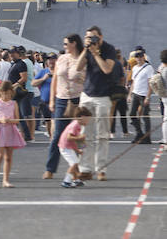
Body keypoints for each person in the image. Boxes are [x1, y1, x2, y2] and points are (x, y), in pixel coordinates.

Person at [75, 26, 117, 181]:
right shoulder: (87, 49)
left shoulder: (109, 49)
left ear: (101, 37)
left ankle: (101, 168)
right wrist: (86, 50)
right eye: (88, 37)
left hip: (103, 96)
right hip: (87, 94)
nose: (92, 40)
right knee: (86, 134)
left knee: (102, 135)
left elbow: (107, 69)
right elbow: (78, 67)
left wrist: (96, 54)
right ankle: (85, 168)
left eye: (94, 37)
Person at [43, 34, 85, 179]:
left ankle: (76, 168)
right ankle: (50, 168)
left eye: (66, 44)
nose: (64, 46)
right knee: (58, 135)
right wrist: (51, 100)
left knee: (77, 136)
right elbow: (55, 78)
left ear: (74, 44)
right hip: (61, 99)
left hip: (78, 99)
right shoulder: (61, 59)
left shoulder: (82, 59)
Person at [0, 81, 26, 188]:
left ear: (11, 93)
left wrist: (10, 120)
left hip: (10, 130)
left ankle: (6, 180)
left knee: (8, 157)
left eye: (8, 93)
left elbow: (17, 119)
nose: (6, 96)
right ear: (0, 92)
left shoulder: (14, 103)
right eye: (4, 93)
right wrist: (0, 120)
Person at [58, 107, 93, 188]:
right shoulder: (75, 125)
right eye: (87, 119)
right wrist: (80, 138)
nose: (88, 121)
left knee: (75, 163)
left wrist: (77, 150)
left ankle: (76, 180)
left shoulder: (77, 125)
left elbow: (73, 141)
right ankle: (66, 180)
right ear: (82, 117)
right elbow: (69, 138)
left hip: (68, 147)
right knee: (74, 163)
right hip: (65, 147)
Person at [127, 48, 154, 144]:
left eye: (140, 56)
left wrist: (148, 96)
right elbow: (133, 82)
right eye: (137, 57)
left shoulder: (148, 68)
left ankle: (147, 137)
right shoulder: (134, 68)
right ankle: (139, 133)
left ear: (143, 57)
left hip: (144, 94)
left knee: (145, 116)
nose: (138, 59)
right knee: (132, 114)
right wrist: (130, 95)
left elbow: (150, 83)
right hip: (135, 93)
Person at [31, 54, 56, 137]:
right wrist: (43, 79)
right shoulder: (43, 72)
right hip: (45, 101)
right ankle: (51, 138)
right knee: (48, 121)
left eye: (53, 59)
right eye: (49, 59)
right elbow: (33, 83)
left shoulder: (59, 71)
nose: (51, 61)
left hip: (57, 101)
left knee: (54, 121)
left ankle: (54, 139)